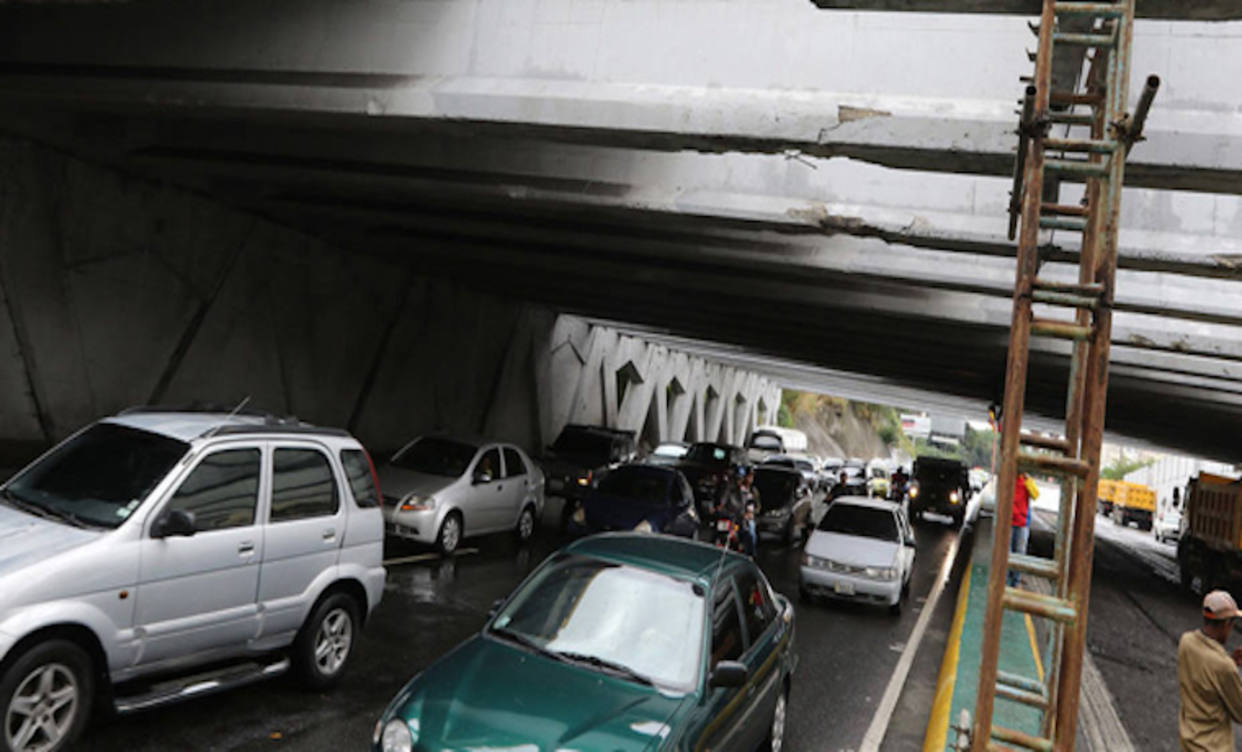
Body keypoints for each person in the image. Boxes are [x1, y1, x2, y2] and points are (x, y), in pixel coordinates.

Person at [1179, 590, 1242, 751]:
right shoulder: (1224, 667)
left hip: (1189, 742)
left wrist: (1231, 663)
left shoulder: (1186, 642)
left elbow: (1205, 675)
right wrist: (1231, 667)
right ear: (1226, 624)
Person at [1007, 473, 1039, 587]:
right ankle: (1007, 580)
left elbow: (1035, 495)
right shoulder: (1010, 477)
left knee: (1020, 553)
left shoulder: (1027, 480)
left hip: (1022, 522)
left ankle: (1015, 582)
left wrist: (1028, 480)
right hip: (1009, 521)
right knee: (1008, 552)